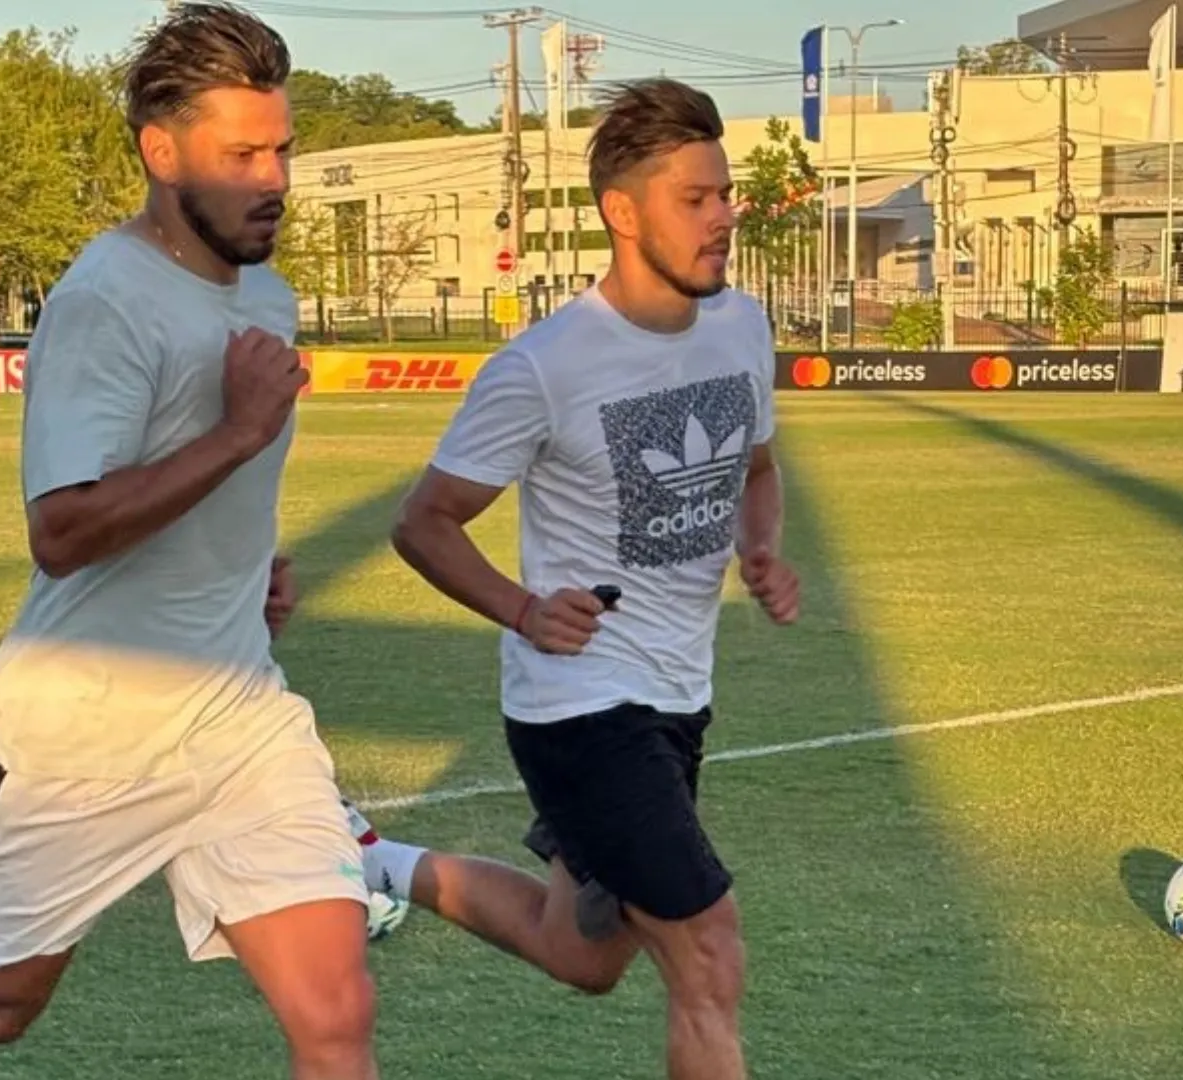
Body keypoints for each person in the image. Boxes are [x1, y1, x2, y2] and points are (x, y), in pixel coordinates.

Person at [0, 6, 380, 1079]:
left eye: (281, 148)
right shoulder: (104, 300)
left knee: (334, 1015)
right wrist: (242, 433)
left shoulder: (269, 298)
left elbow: (206, 493)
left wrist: (244, 568)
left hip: (237, 711)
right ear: (162, 151)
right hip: (85, 732)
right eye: (242, 153)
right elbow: (61, 532)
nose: (275, 177)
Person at [353, 78, 799, 1080]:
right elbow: (422, 522)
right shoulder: (543, 367)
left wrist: (757, 547)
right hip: (580, 707)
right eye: (696, 197)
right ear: (622, 212)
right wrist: (518, 607)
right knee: (706, 951)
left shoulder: (740, 328)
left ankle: (378, 862)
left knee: (584, 956)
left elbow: (757, 472)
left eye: (724, 192)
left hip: (679, 696)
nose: (724, 214)